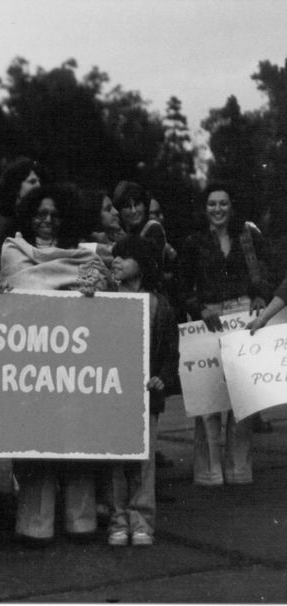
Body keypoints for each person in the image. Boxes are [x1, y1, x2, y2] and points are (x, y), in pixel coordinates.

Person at [0, 184, 112, 546]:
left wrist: (83, 283)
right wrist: (71, 285)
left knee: (78, 437)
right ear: (28, 216)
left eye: (54, 214)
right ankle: (35, 524)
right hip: (31, 359)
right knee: (36, 440)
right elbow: (21, 287)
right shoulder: (13, 250)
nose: (47, 220)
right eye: (40, 214)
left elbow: (100, 287)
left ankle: (82, 520)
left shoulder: (84, 254)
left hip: (76, 358)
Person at [179, 183, 273, 486]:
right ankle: (209, 472)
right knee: (208, 399)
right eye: (212, 204)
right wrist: (198, 308)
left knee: (241, 397)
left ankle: (238, 469)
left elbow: (268, 270)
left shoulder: (248, 237)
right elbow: (181, 284)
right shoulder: (193, 242)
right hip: (209, 318)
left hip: (243, 314)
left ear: (232, 206)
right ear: (204, 208)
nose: (217, 209)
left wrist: (260, 296)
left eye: (223, 203)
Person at [106, 236, 179, 547]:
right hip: (112, 393)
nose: (116, 261)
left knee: (144, 462)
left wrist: (163, 378)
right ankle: (118, 520)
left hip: (146, 395)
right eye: (114, 256)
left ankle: (142, 522)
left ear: (143, 263)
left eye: (124, 256)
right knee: (115, 461)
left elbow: (171, 353)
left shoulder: (160, 304)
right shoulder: (105, 298)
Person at [0, 157, 46, 273]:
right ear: (15, 187)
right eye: (32, 182)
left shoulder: (41, 221)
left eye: (39, 181)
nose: (38, 185)